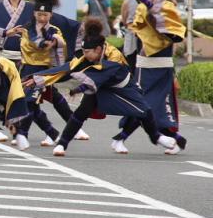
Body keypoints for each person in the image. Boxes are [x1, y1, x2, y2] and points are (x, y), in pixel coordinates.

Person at [24, 19, 176, 157]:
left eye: (87, 52)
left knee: (144, 111)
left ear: (98, 49)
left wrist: (78, 90)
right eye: (83, 52)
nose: (84, 55)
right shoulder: (89, 55)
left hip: (122, 88)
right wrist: (38, 78)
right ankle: (62, 144)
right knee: (81, 112)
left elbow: (100, 76)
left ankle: (156, 137)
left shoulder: (113, 57)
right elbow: (67, 68)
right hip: (98, 85)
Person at [113, 0, 187, 155]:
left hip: (165, 67)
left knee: (163, 106)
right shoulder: (142, 10)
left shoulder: (168, 9)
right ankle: (121, 137)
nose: (154, 0)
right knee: (142, 105)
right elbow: (137, 25)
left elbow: (176, 33)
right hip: (146, 68)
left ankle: (176, 139)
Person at [7, 0, 89, 149]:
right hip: (26, 69)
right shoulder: (27, 28)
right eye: (39, 14)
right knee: (33, 102)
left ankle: (23, 133)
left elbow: (62, 45)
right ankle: (53, 133)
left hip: (44, 72)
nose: (42, 18)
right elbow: (34, 42)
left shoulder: (54, 30)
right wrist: (46, 43)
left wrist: (57, 41)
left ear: (50, 15)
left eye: (45, 15)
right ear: (34, 13)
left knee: (31, 102)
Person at [120, 0, 152, 72]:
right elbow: (125, 21)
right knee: (132, 66)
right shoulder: (128, 1)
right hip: (133, 38)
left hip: (145, 39)